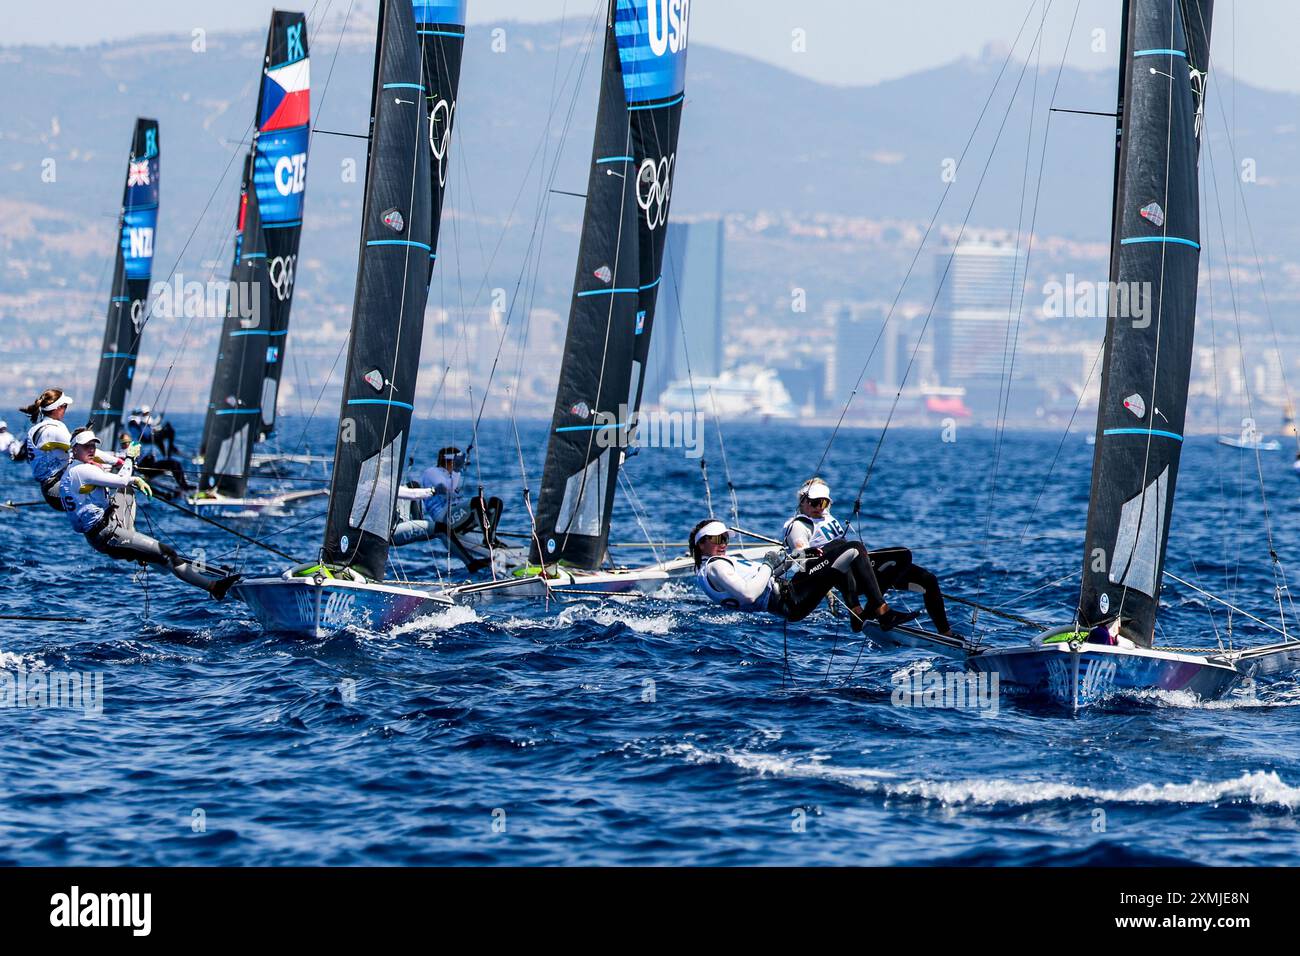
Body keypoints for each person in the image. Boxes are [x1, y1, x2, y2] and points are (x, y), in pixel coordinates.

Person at [59, 427, 240, 599]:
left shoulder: (73, 470)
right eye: (85, 446)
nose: (91, 449)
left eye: (93, 445)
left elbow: (120, 481)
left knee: (126, 492)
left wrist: (126, 464)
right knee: (167, 553)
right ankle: (214, 588)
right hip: (108, 536)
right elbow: (123, 480)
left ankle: (137, 547)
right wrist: (129, 458)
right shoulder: (83, 470)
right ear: (74, 449)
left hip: (104, 529)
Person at [783, 476, 958, 638]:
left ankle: (947, 634)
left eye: (823, 502)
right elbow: (802, 562)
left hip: (859, 568)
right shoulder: (798, 525)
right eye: (814, 502)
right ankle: (874, 612)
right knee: (869, 551)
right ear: (802, 501)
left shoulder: (825, 515)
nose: (819, 507)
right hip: (839, 574)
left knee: (926, 578)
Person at [690, 518, 917, 629]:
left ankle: (857, 613)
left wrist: (797, 558)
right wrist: (768, 565)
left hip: (788, 596)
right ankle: (883, 612)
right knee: (854, 549)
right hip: (791, 600)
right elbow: (749, 594)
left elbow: (763, 580)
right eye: (717, 540)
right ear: (701, 545)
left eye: (725, 539)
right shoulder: (716, 566)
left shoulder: (708, 570)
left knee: (837, 548)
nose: (723, 544)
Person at [392, 446, 506, 572]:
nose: (460, 464)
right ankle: (487, 542)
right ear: (449, 460)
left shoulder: (451, 474)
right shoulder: (432, 472)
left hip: (457, 514)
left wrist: (456, 471)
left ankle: (491, 537)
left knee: (495, 502)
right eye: (457, 461)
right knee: (477, 502)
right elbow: (448, 488)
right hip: (444, 517)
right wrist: (456, 470)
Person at [15, 389, 118, 511]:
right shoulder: (52, 431)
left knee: (97, 468)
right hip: (56, 490)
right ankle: (106, 512)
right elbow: (87, 450)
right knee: (96, 475)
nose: (66, 409)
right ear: (58, 408)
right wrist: (118, 461)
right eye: (65, 406)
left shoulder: (37, 428)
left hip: (52, 488)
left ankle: (101, 511)